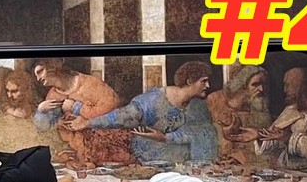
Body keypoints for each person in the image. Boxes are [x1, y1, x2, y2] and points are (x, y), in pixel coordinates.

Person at [65, 61, 218, 171]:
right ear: (189, 81)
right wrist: (88, 122)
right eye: (203, 81)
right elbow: (122, 117)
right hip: (151, 158)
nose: (208, 86)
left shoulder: (198, 106)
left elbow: (196, 132)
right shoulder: (153, 100)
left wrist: (165, 137)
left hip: (184, 162)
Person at [30, 60, 132, 169]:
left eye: (40, 71)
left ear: (52, 66)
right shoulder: (52, 95)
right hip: (78, 154)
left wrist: (77, 108)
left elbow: (112, 108)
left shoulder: (90, 83)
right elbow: (45, 128)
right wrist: (42, 112)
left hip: (107, 148)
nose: (38, 78)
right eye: (36, 75)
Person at [204, 64, 271, 171]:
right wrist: (221, 131)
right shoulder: (216, 100)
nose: (261, 89)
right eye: (255, 84)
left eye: (264, 84)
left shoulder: (261, 108)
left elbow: (263, 149)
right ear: (243, 85)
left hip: (245, 166)